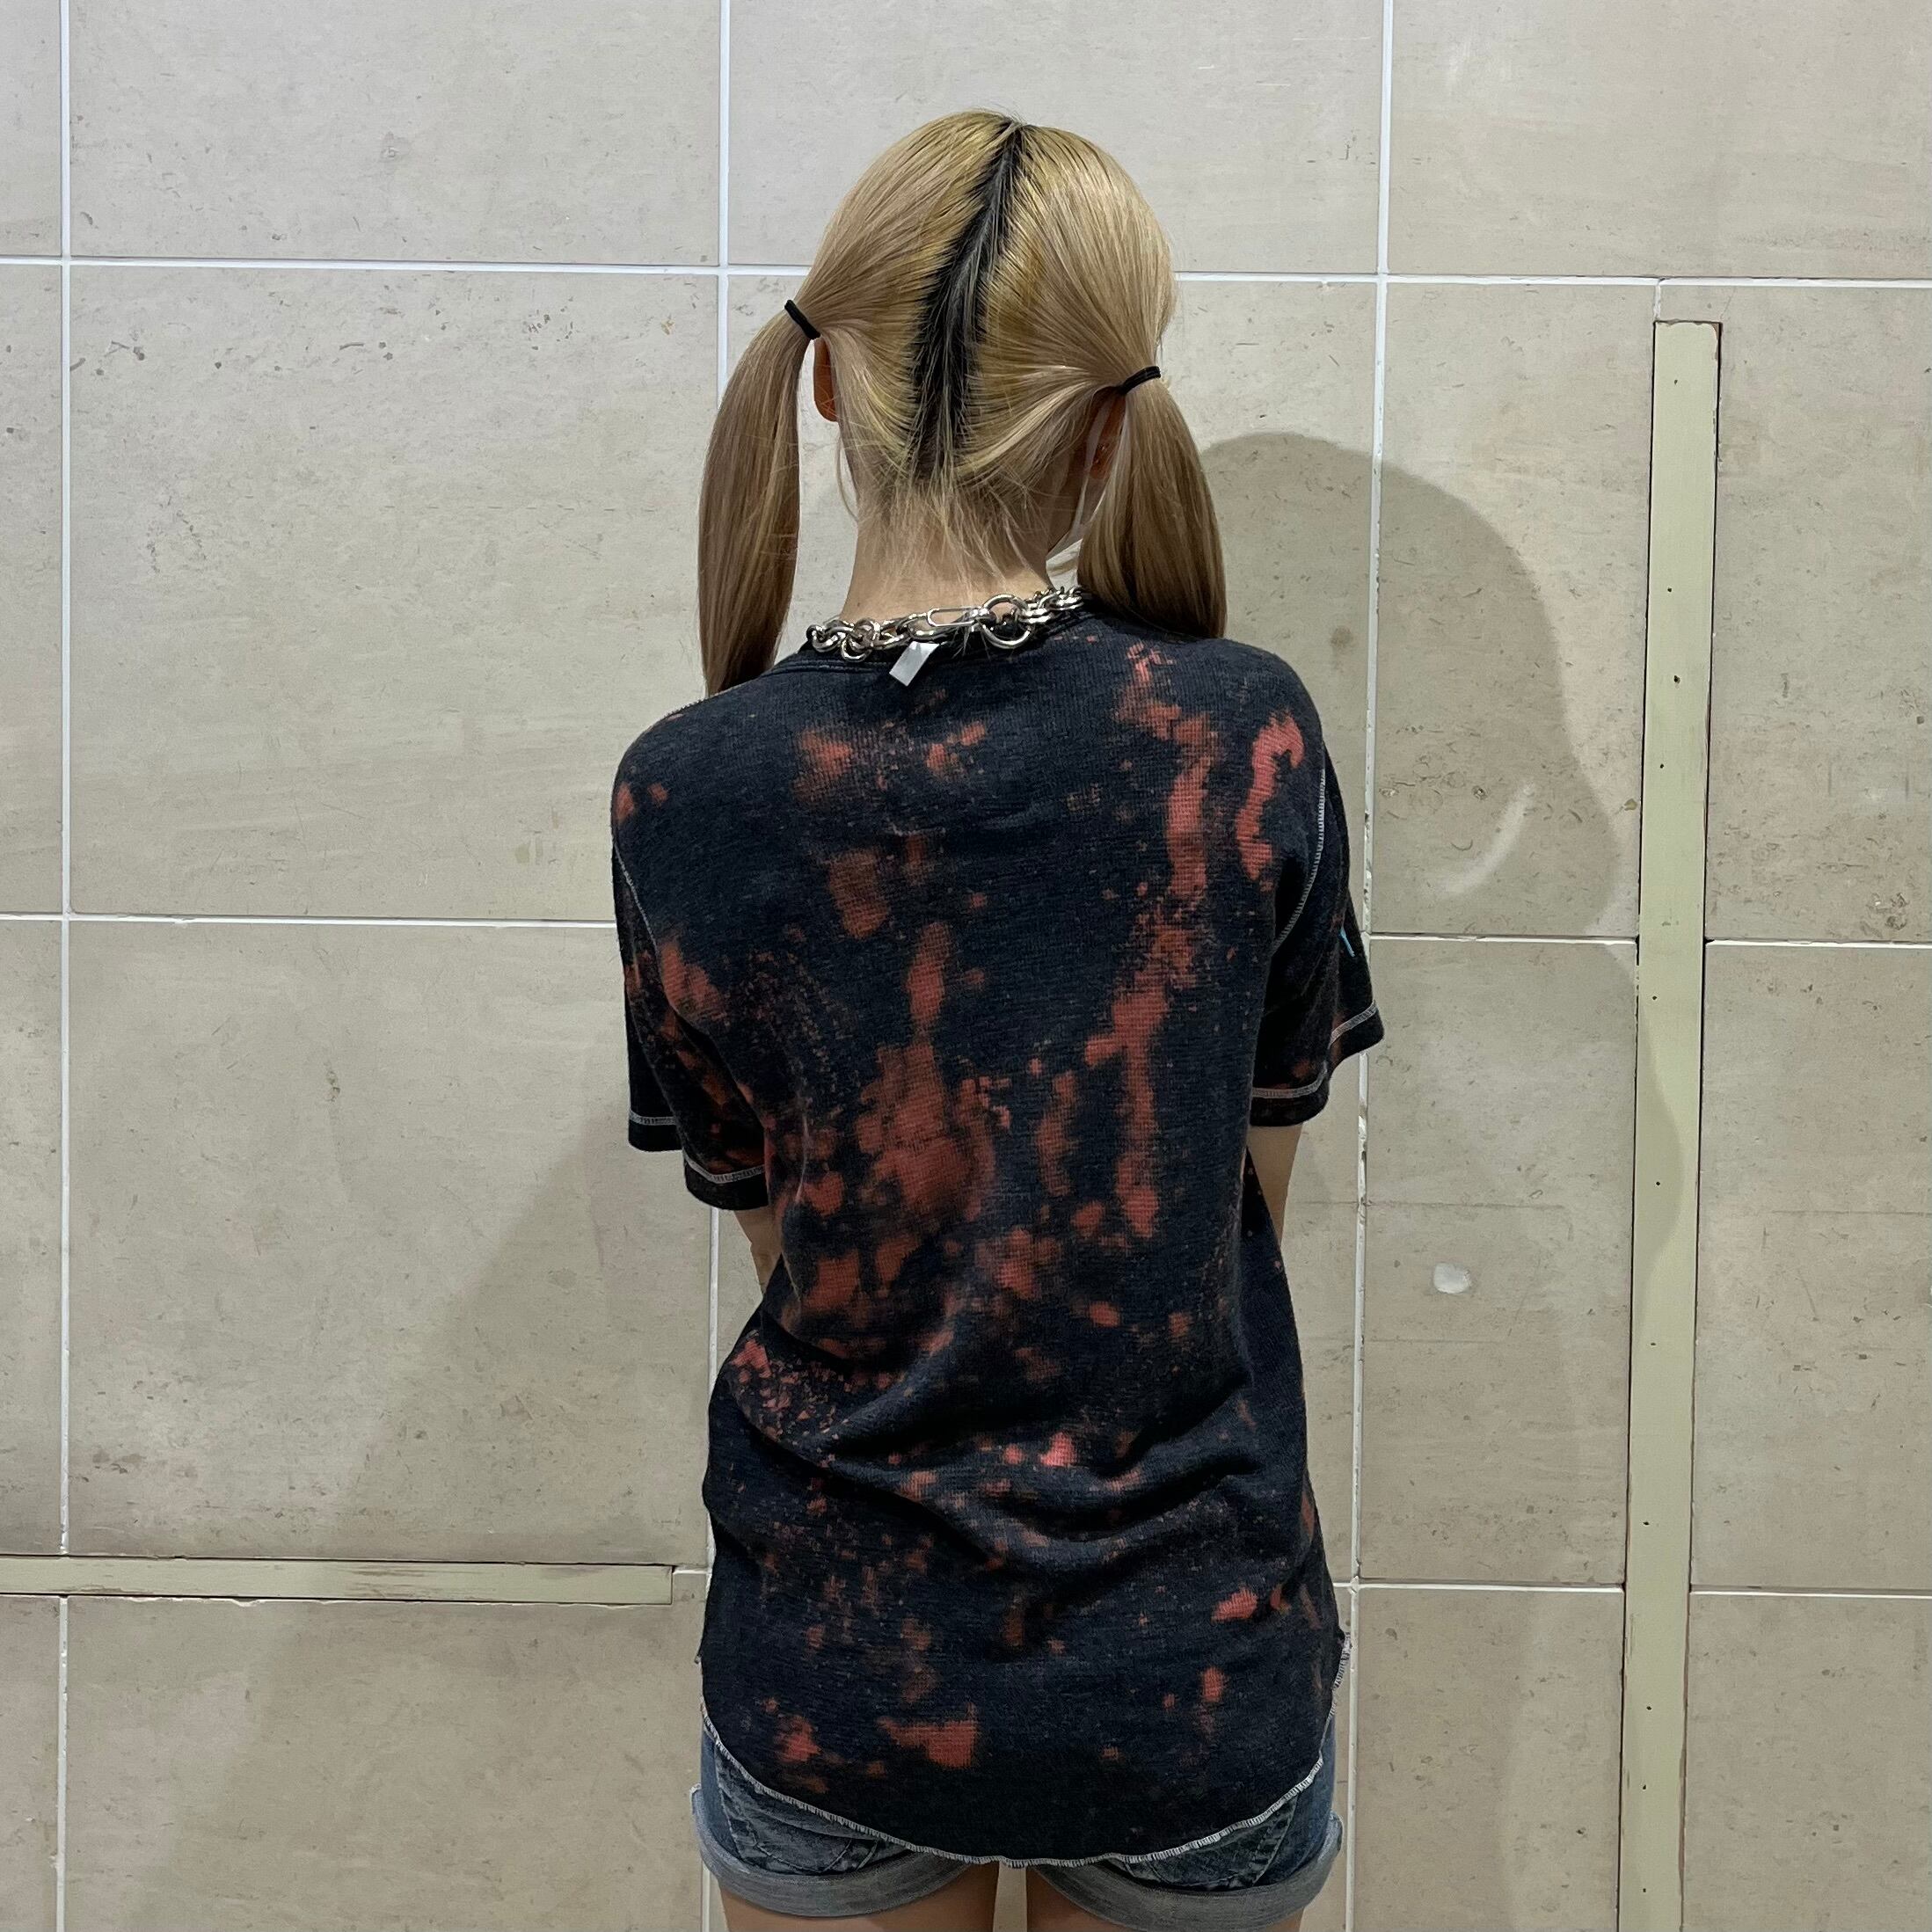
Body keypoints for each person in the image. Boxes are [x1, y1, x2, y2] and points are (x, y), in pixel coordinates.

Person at [610, 108, 1383, 1932]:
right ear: (1109, 426)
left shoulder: (686, 788)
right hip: (1184, 1662)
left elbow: (789, 1244)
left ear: (824, 387)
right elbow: (1229, 1215)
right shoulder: (1238, 736)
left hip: (839, 1662)